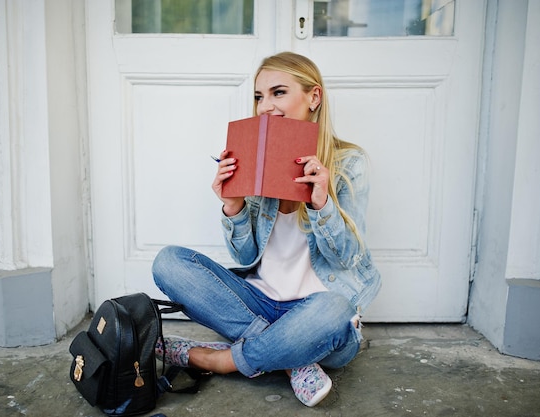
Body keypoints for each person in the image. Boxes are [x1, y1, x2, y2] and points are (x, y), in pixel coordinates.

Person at [152, 51, 381, 407]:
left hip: (317, 315)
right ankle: (292, 358)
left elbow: (348, 257)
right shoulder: (257, 159)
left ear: (313, 97)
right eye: (259, 96)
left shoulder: (348, 163)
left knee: (336, 310)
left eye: (278, 93)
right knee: (168, 262)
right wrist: (234, 206)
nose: (264, 107)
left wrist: (321, 203)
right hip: (261, 304)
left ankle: (223, 359)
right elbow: (245, 256)